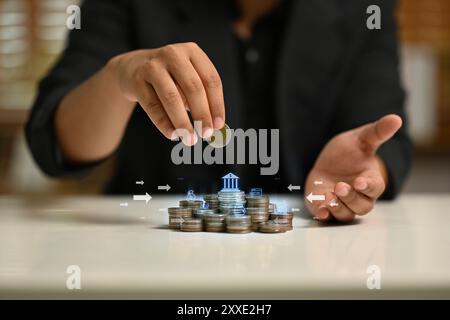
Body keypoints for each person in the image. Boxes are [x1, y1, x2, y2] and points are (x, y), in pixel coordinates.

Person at [25, 0, 413, 222]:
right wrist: (117, 79)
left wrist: (364, 172)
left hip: (310, 251)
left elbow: (384, 130)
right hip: (146, 248)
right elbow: (55, 142)